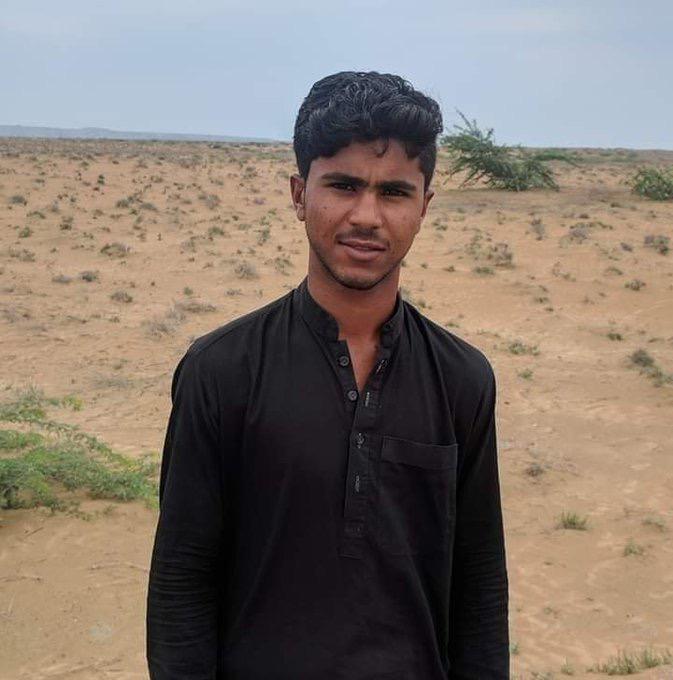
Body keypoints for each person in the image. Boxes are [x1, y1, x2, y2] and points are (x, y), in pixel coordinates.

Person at [146, 70, 509, 679]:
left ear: (424, 206)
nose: (367, 216)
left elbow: (479, 583)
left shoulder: (462, 379)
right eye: (343, 185)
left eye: (394, 192)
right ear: (299, 194)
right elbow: (183, 577)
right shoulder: (221, 371)